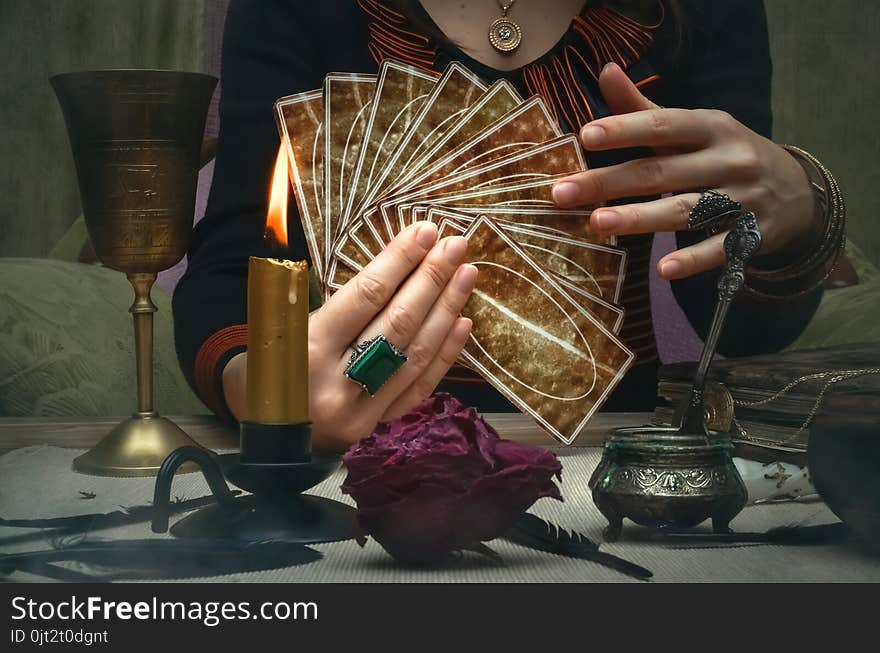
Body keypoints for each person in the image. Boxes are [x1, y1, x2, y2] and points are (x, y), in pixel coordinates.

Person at [173, 0, 844, 451]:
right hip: (354, 463)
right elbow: (235, 268)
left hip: (610, 463)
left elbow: (725, 311)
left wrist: (801, 213)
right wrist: (266, 387)